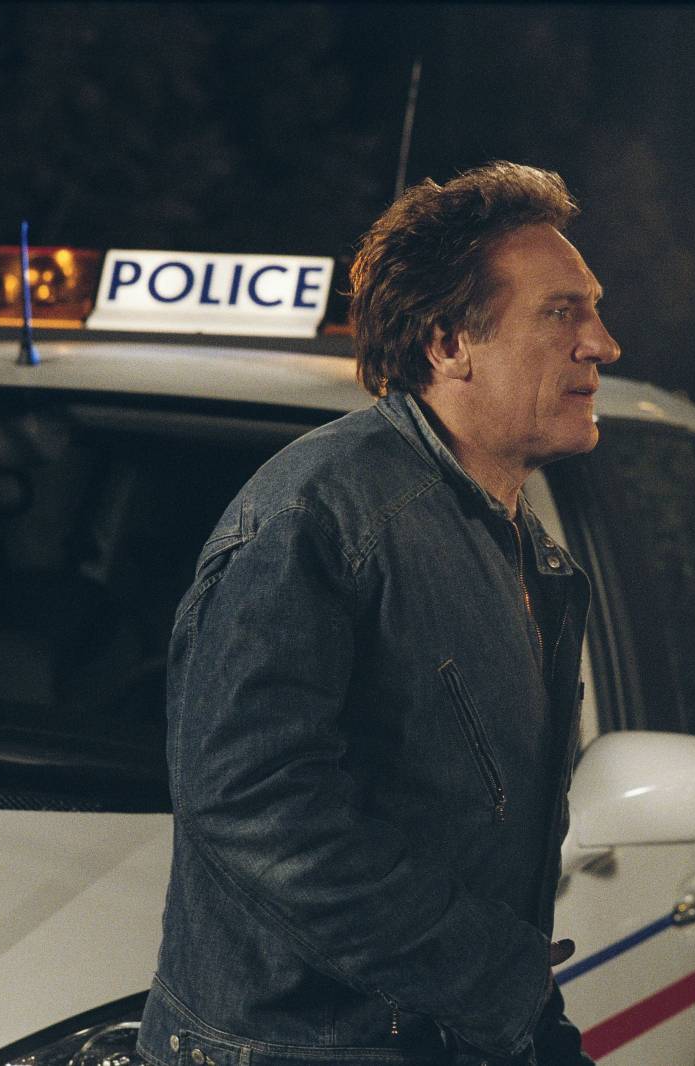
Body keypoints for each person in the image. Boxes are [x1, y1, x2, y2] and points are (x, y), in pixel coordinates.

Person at [137, 162, 618, 1066]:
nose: (603, 344)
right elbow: (251, 799)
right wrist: (489, 974)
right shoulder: (320, 515)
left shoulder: (519, 543)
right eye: (562, 313)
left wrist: (523, 1017)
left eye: (591, 311)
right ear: (449, 343)